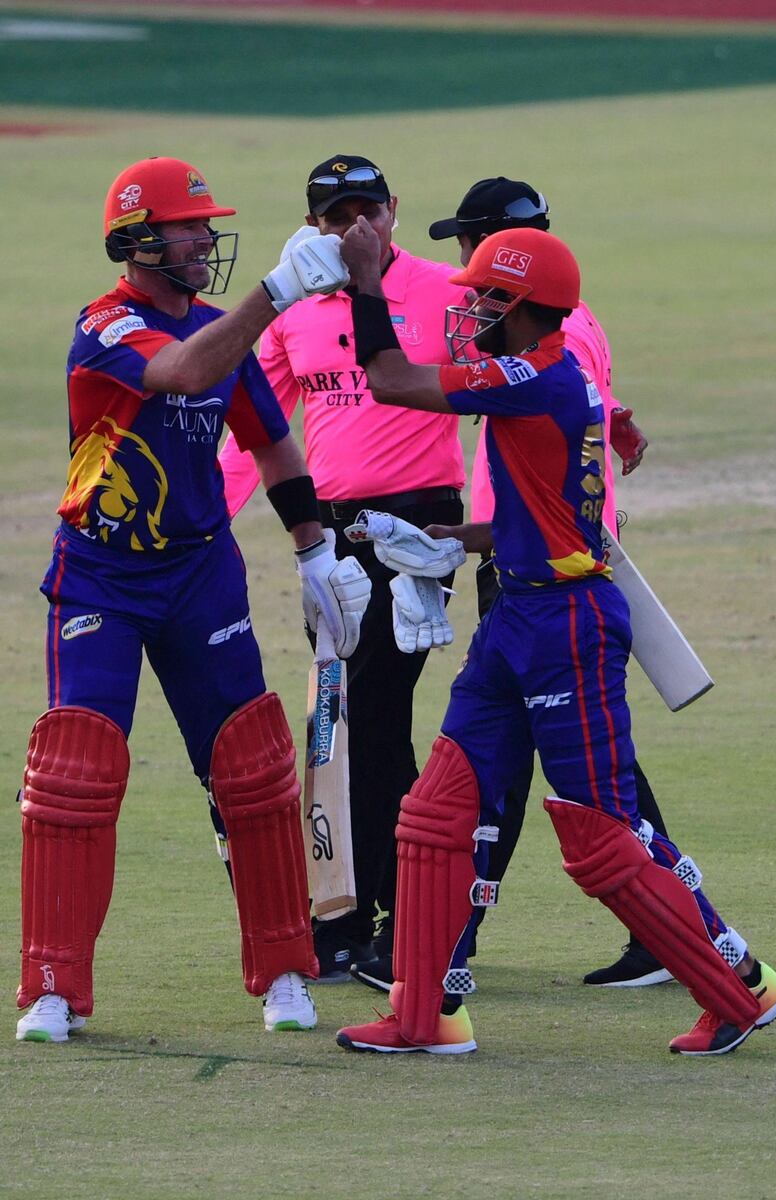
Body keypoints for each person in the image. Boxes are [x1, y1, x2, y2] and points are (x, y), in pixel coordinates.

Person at [334, 218, 776, 1056]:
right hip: (520, 612)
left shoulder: (533, 374)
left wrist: (366, 282)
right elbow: (540, 510)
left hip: (565, 627)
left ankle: (743, 988)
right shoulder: (554, 376)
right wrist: (449, 541)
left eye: (483, 298)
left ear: (519, 306)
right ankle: (424, 1013)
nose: (469, 310)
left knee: (602, 832)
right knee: (438, 812)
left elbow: (392, 378)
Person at [14, 155, 372, 1044]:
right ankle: (53, 988)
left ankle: (288, 973)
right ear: (139, 239)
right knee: (77, 772)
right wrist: (277, 293)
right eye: (191, 227)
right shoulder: (105, 326)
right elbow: (179, 371)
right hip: (101, 571)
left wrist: (316, 551)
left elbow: (275, 444)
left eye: (209, 226)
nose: (207, 239)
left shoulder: (224, 332)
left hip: (201, 574)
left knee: (251, 769)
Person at [218, 154, 467, 981]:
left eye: (369, 209)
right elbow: (256, 431)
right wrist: (199, 526)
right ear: (314, 222)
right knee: (346, 718)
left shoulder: (445, 288)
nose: (355, 227)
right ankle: (362, 915)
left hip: (418, 532)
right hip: (331, 540)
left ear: (395, 209)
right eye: (336, 215)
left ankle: (375, 920)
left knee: (368, 715)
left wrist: (601, 421)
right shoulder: (293, 306)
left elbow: (530, 366)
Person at [422, 176, 671, 990]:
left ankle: (691, 945)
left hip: (554, 582)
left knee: (587, 787)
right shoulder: (569, 328)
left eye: (471, 249)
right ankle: (444, 963)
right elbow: (599, 418)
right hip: (531, 558)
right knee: (547, 768)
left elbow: (565, 415)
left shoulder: (541, 357)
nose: (464, 275)